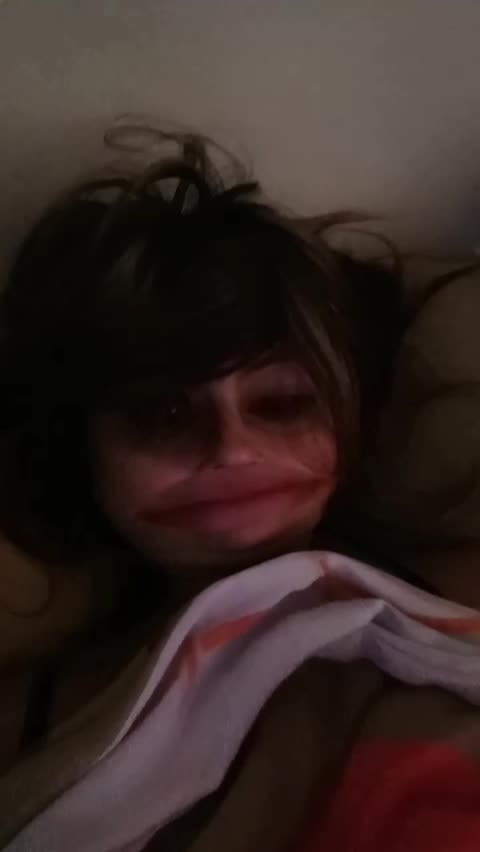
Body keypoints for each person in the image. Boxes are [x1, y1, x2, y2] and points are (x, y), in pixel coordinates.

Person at [3, 129, 480, 852]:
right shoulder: (24, 719)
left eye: (283, 403)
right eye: (165, 416)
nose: (233, 450)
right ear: (81, 451)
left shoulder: (458, 593)